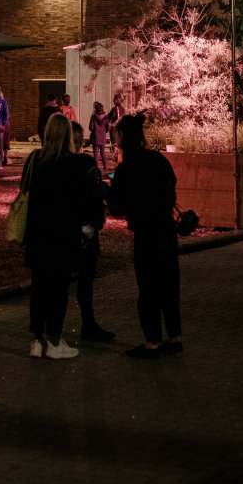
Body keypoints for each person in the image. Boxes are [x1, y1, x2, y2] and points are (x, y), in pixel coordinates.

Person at [19, 115, 101, 360]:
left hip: (37, 233)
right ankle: (54, 339)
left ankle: (37, 340)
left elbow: (25, 190)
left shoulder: (36, 159)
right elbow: (88, 198)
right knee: (58, 288)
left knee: (39, 287)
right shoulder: (77, 163)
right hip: (63, 233)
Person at [107, 113, 182, 359]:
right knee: (169, 287)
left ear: (122, 136)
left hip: (146, 233)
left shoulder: (126, 168)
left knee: (148, 289)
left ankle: (152, 343)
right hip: (166, 230)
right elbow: (171, 187)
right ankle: (174, 337)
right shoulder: (158, 159)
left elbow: (117, 206)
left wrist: (107, 191)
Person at [71, 120, 114, 341]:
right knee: (85, 280)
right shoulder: (85, 163)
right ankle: (88, 323)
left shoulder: (50, 163)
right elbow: (95, 192)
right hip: (85, 229)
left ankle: (47, 333)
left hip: (62, 229)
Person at [87, 101, 113, 170]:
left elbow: (91, 128)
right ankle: (105, 167)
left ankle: (96, 168)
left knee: (95, 153)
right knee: (103, 152)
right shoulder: (105, 117)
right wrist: (104, 132)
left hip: (95, 137)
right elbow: (108, 128)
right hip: (102, 138)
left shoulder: (93, 117)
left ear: (96, 109)